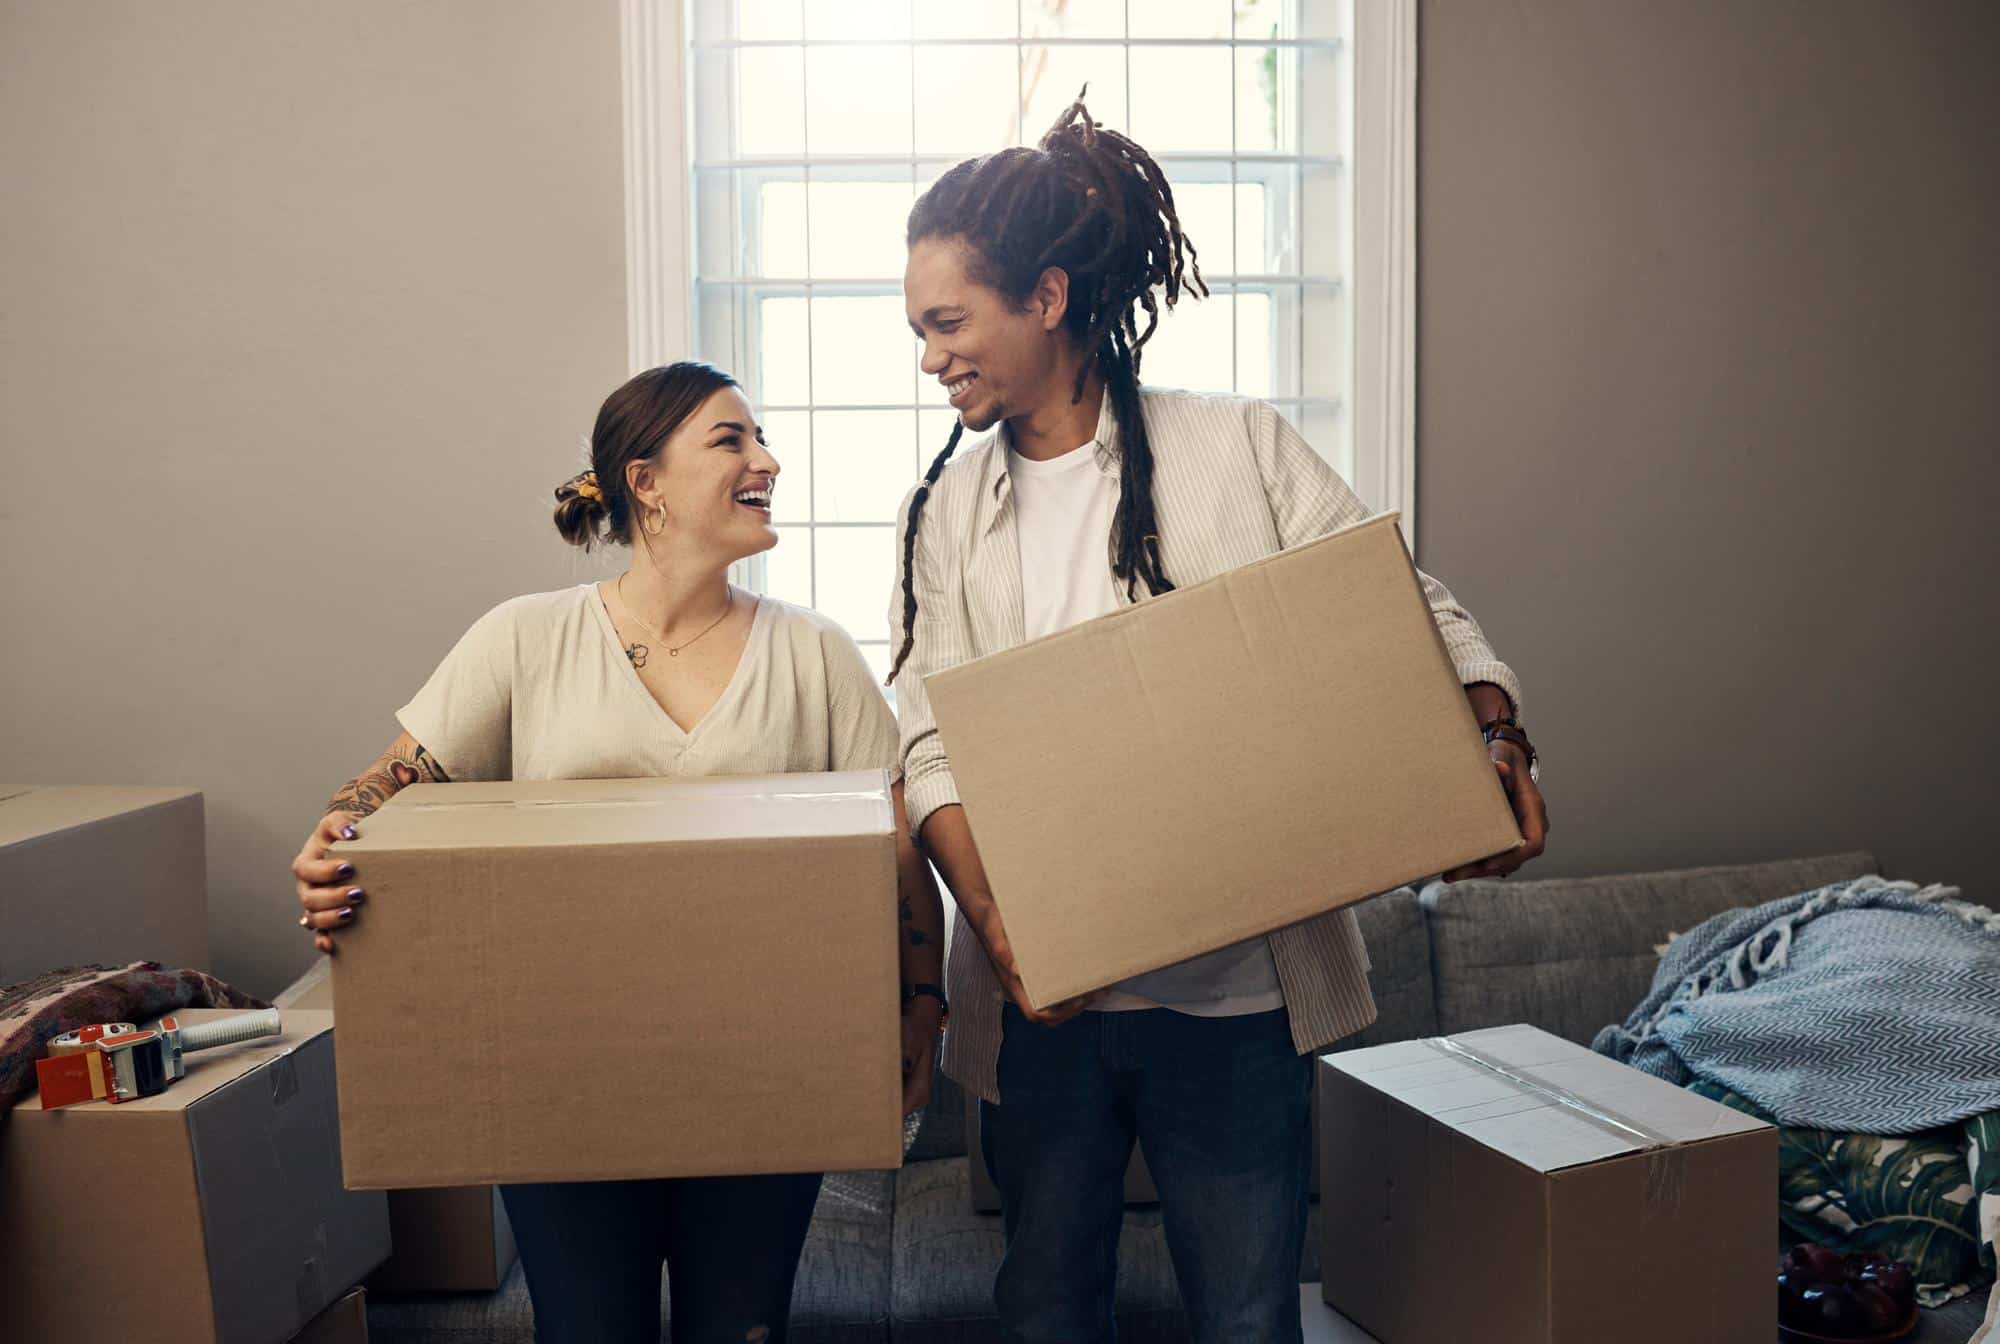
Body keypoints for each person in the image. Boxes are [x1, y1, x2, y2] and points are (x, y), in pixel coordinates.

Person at [888, 101, 1550, 1343]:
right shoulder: (946, 516)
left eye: (945, 322)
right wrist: (1002, 932)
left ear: (1041, 298)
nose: (930, 357)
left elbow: (1400, 606)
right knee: (1043, 1313)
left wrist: (1494, 738)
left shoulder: (1233, 447)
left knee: (1247, 1320)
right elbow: (924, 739)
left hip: (1234, 1003)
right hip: (1047, 1019)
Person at [290, 361, 946, 1344]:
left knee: (744, 1329)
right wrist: (332, 841)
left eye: (759, 439)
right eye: (731, 440)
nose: (767, 460)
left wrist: (920, 1019)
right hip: (558, 1072)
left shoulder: (814, 654)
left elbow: (895, 858)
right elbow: (387, 786)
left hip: (764, 1070)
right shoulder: (525, 638)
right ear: (646, 482)